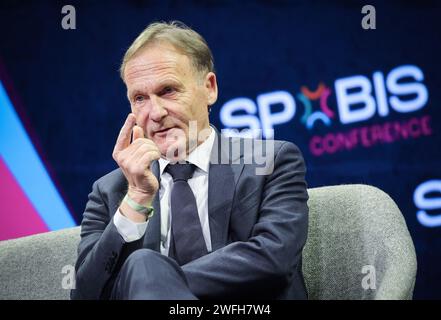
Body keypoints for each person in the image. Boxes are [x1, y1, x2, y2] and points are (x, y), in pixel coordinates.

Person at [71, 21, 309, 300]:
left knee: (142, 265)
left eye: (168, 90)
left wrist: (149, 282)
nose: (155, 112)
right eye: (139, 98)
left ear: (209, 88)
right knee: (141, 263)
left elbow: (273, 260)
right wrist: (136, 199)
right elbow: (85, 295)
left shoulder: (269, 161)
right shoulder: (111, 191)